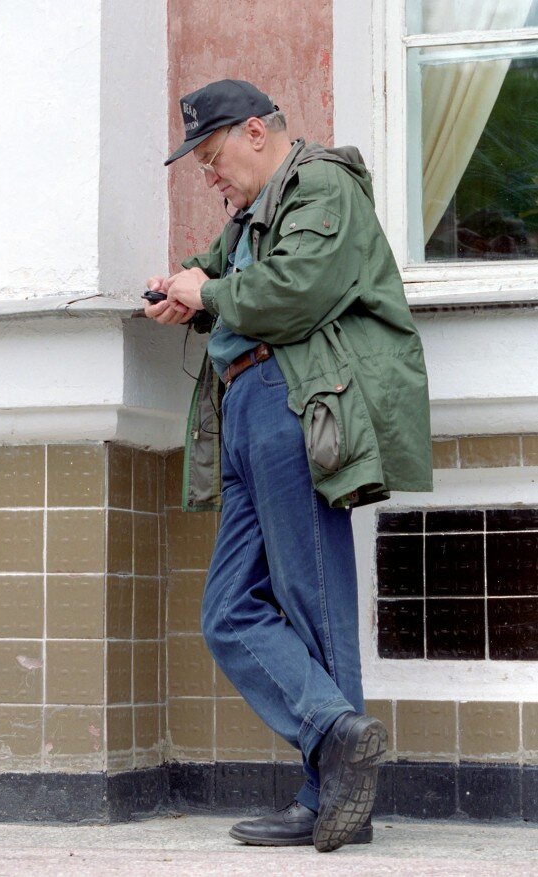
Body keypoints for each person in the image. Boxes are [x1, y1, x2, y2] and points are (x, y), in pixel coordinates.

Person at [144, 79, 432, 853]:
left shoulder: (321, 184)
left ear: (254, 132)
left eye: (211, 156)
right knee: (227, 610)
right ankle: (337, 737)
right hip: (244, 404)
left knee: (313, 598)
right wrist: (181, 291)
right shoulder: (251, 215)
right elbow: (213, 273)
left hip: (292, 398)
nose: (209, 174)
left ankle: (328, 795)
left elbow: (296, 290)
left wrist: (209, 290)